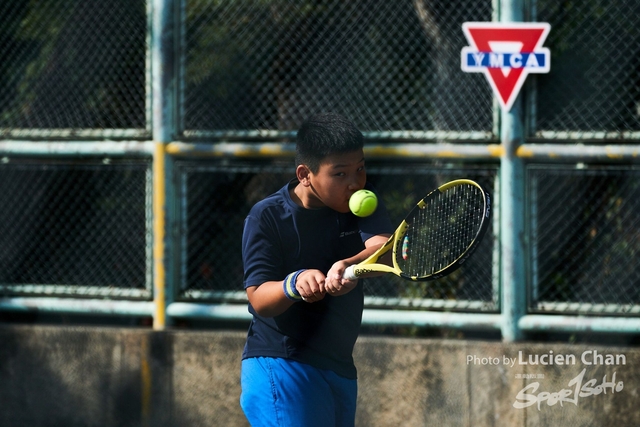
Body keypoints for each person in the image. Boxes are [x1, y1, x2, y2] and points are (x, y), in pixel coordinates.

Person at [239, 112, 393, 427]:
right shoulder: (266, 217)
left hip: (338, 365)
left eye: (360, 169)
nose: (354, 183)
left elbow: (386, 251)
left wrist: (350, 266)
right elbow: (258, 298)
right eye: (340, 174)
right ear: (305, 174)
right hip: (282, 364)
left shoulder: (362, 202)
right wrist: (293, 284)